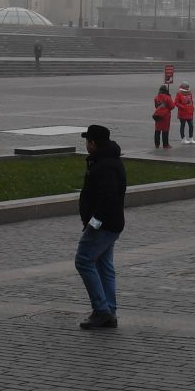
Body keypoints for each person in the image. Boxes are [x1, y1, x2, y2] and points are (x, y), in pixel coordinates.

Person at [75, 124, 126, 330]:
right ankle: (109, 310)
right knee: (104, 265)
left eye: (87, 141)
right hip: (112, 223)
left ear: (93, 143)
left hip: (103, 225)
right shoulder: (110, 161)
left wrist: (94, 222)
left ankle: (101, 310)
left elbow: (107, 198)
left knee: (83, 260)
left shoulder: (104, 166)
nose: (86, 144)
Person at [152, 84, 174, 149]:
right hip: (165, 116)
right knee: (165, 130)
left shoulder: (156, 97)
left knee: (157, 130)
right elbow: (172, 106)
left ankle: (157, 144)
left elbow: (156, 106)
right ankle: (165, 144)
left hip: (157, 115)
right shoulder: (167, 97)